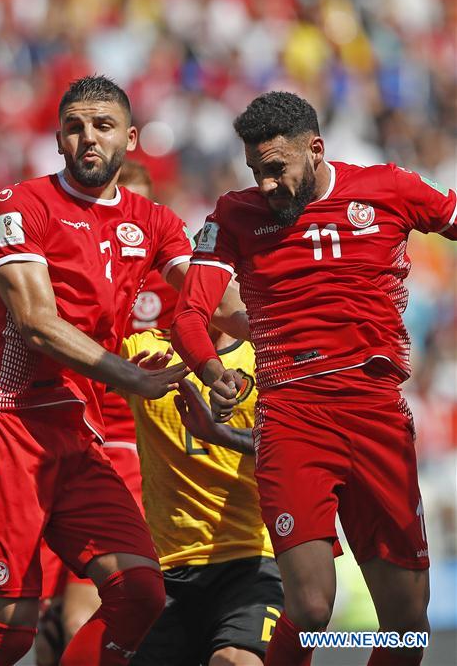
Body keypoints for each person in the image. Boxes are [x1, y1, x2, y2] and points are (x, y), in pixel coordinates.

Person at [0, 75, 247, 666]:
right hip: (7, 424)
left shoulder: (154, 220)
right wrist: (128, 376)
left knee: (140, 593)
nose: (88, 137)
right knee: (10, 628)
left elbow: (217, 301)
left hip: (77, 437)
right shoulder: (20, 205)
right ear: (58, 138)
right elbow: (35, 321)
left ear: (130, 138)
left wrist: (296, 329)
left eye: (103, 126)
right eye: (75, 127)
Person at [171, 91, 457, 666]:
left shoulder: (388, 188)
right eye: (256, 171)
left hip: (378, 415)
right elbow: (188, 315)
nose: (267, 185)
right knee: (310, 608)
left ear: (316, 149)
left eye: (276, 169)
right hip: (293, 417)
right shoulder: (235, 214)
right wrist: (212, 369)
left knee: (406, 630)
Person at [35, 160, 181, 666]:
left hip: (137, 455)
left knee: (113, 605)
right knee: (43, 618)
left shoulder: (172, 281)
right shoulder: (64, 265)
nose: (122, 224)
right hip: (69, 443)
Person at [118, 327, 283, 666]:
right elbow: (72, 364)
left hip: (251, 559)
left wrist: (220, 434)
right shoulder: (142, 348)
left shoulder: (264, 355)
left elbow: (292, 446)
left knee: (234, 662)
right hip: (168, 568)